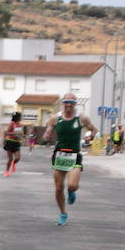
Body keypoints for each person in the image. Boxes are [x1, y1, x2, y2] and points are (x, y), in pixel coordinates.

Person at [42, 93, 97, 227]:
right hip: (60, 155)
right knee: (59, 187)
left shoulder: (81, 118)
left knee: (72, 185)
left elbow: (93, 129)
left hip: (74, 154)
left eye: (71, 102)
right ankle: (63, 213)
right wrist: (47, 135)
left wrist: (90, 137)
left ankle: (71, 192)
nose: (68, 105)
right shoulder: (55, 118)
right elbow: (48, 131)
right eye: (66, 102)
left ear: (75, 104)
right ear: (63, 103)